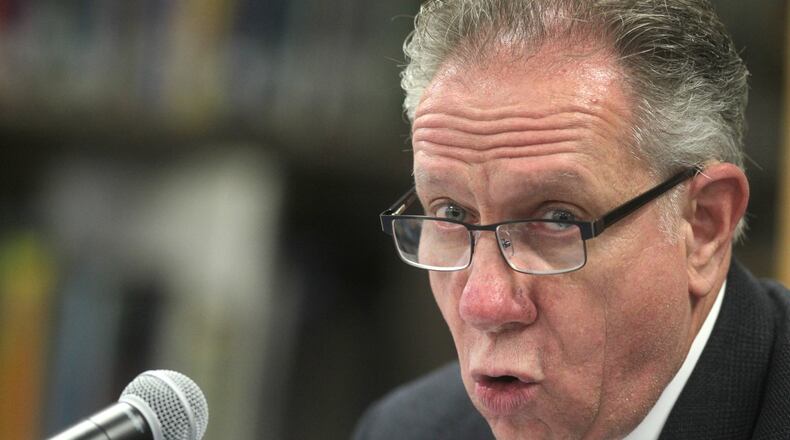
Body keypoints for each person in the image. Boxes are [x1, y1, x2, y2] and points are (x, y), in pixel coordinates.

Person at [353, 0, 790, 439]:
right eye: (450, 212)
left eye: (558, 219)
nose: (482, 305)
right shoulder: (404, 429)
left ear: (703, 225)